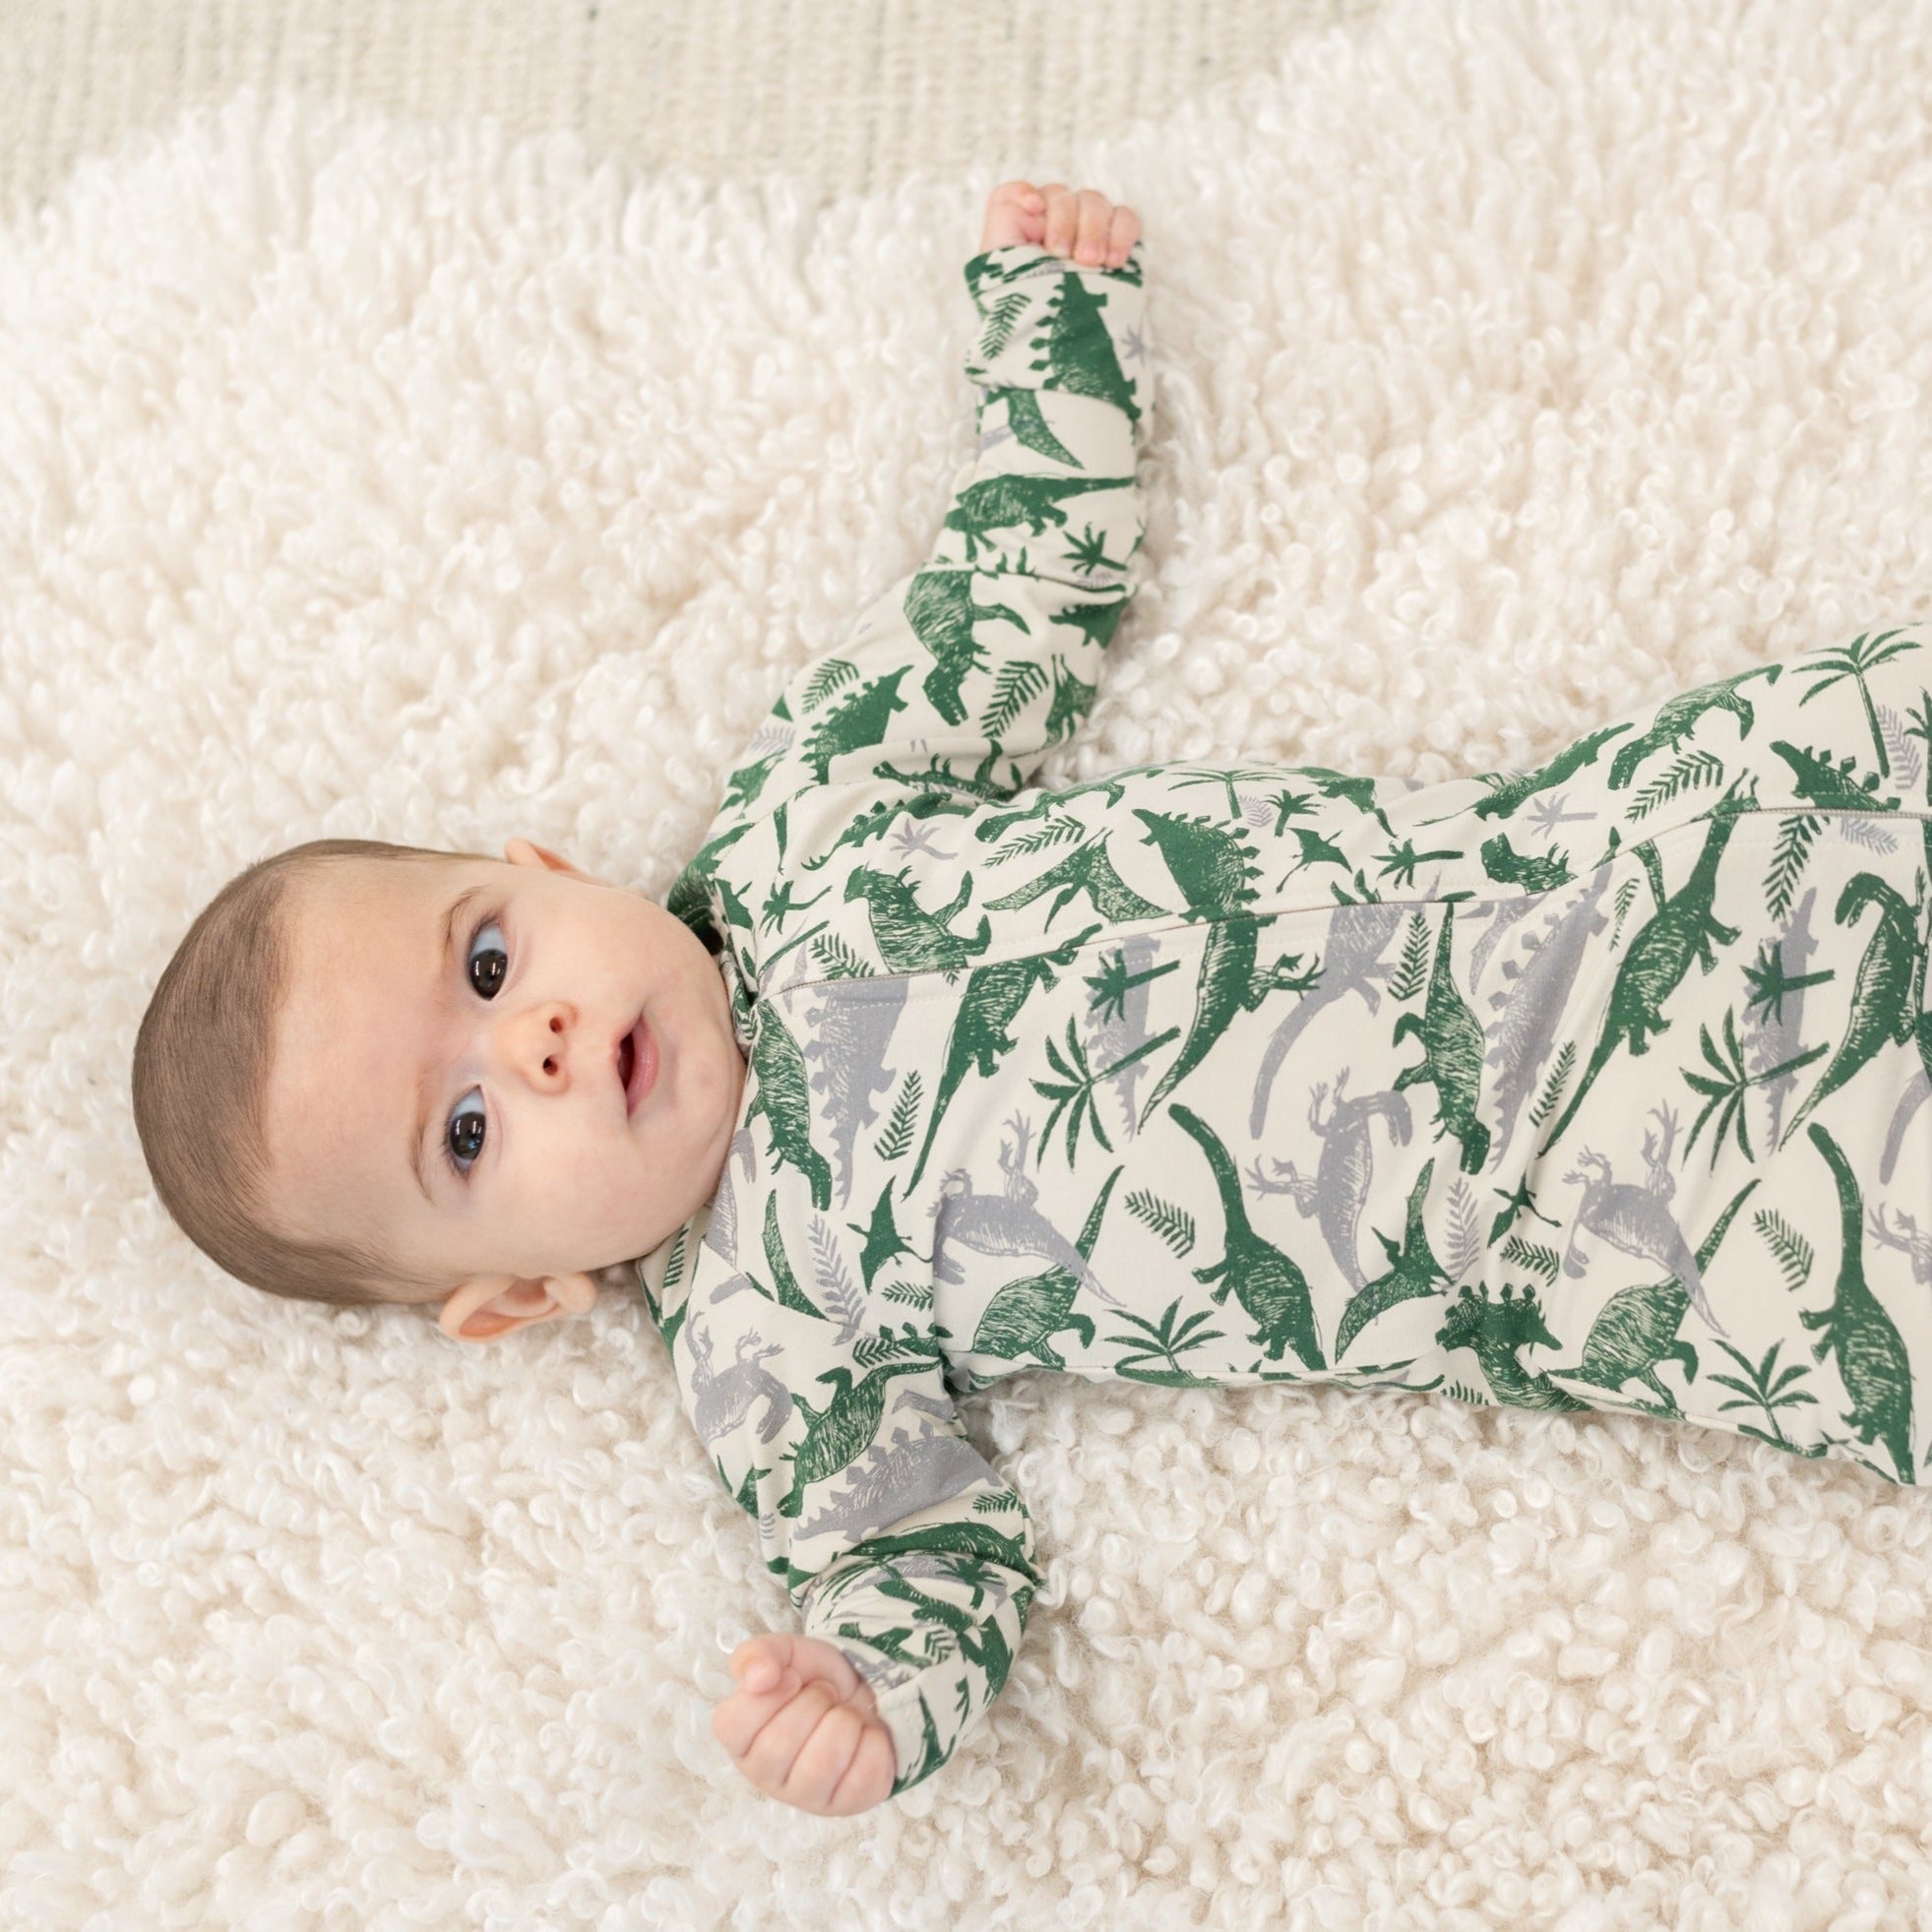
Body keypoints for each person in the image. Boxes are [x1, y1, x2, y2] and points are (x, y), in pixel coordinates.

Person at [132, 178, 1932, 1819]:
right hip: (1624, 1211)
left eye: (488, 960)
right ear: (524, 1294)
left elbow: (1010, 603)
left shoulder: (801, 813)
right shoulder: (765, 1339)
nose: (526, 1044)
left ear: (543, 867)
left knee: (1848, 732)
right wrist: (865, 1691)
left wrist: (1053, 340)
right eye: (465, 1131)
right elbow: (927, 1557)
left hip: (1619, 855)